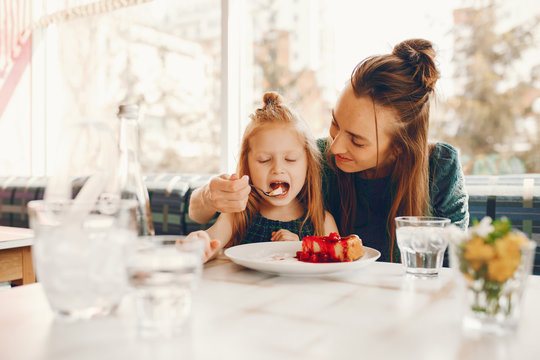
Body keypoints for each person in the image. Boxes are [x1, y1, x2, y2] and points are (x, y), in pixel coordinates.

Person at [189, 39, 469, 263]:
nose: (334, 147)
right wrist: (210, 196)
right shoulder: (315, 157)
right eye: (335, 124)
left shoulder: (441, 168)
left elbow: (455, 267)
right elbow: (203, 214)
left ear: (397, 149)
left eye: (357, 141)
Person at [187, 91, 338, 261]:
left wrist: (299, 250)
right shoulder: (237, 214)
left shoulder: (322, 221)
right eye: (264, 160)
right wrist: (199, 244)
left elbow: (334, 266)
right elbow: (211, 243)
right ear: (248, 165)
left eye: (290, 159)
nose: (278, 169)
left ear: (308, 164)